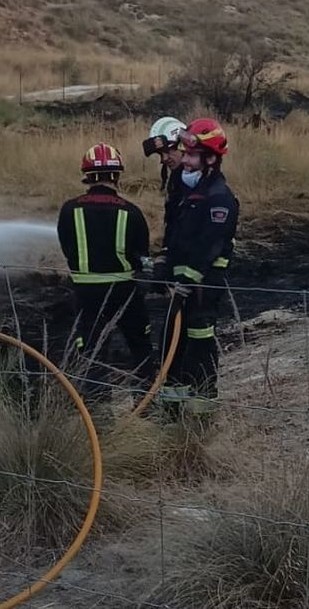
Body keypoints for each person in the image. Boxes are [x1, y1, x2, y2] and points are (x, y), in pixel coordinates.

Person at [56, 143, 154, 407]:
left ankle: (98, 415)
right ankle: (146, 405)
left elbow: (67, 249)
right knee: (140, 347)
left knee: (92, 354)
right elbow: (142, 258)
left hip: (86, 295)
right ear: (117, 175)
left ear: (87, 176)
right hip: (125, 293)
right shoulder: (131, 213)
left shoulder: (68, 210)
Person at [159, 119, 239, 416]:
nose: (185, 162)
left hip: (203, 289)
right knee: (172, 345)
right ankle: (171, 412)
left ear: (211, 159)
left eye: (192, 156)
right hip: (182, 287)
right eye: (185, 155)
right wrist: (164, 265)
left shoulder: (219, 199)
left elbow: (209, 248)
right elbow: (177, 238)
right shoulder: (186, 192)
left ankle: (201, 416)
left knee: (198, 346)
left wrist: (186, 282)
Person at [142, 116, 187, 281]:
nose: (164, 158)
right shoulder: (176, 180)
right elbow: (174, 223)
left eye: (168, 151)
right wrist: (165, 254)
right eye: (161, 154)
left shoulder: (199, 181)